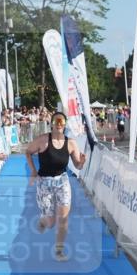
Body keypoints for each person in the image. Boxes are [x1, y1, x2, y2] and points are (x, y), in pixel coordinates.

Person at [24, 112, 87, 261]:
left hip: (62, 181)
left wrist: (82, 162)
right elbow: (28, 152)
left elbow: (77, 165)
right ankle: (43, 220)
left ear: (65, 125)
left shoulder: (71, 143)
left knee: (63, 218)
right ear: (51, 123)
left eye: (62, 122)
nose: (59, 125)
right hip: (44, 182)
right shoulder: (43, 140)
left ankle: (59, 251)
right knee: (51, 222)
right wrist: (33, 170)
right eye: (57, 122)